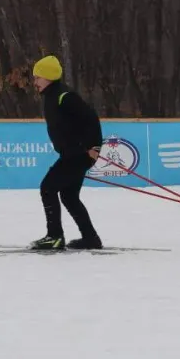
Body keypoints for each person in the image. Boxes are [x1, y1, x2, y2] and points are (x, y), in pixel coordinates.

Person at [30, 55, 104, 250]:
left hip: (79, 154)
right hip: (72, 154)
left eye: (37, 77)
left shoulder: (64, 96)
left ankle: (54, 236)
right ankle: (91, 238)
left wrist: (94, 147)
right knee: (69, 196)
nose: (34, 82)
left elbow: (91, 118)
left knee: (48, 187)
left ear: (48, 77)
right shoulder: (52, 96)